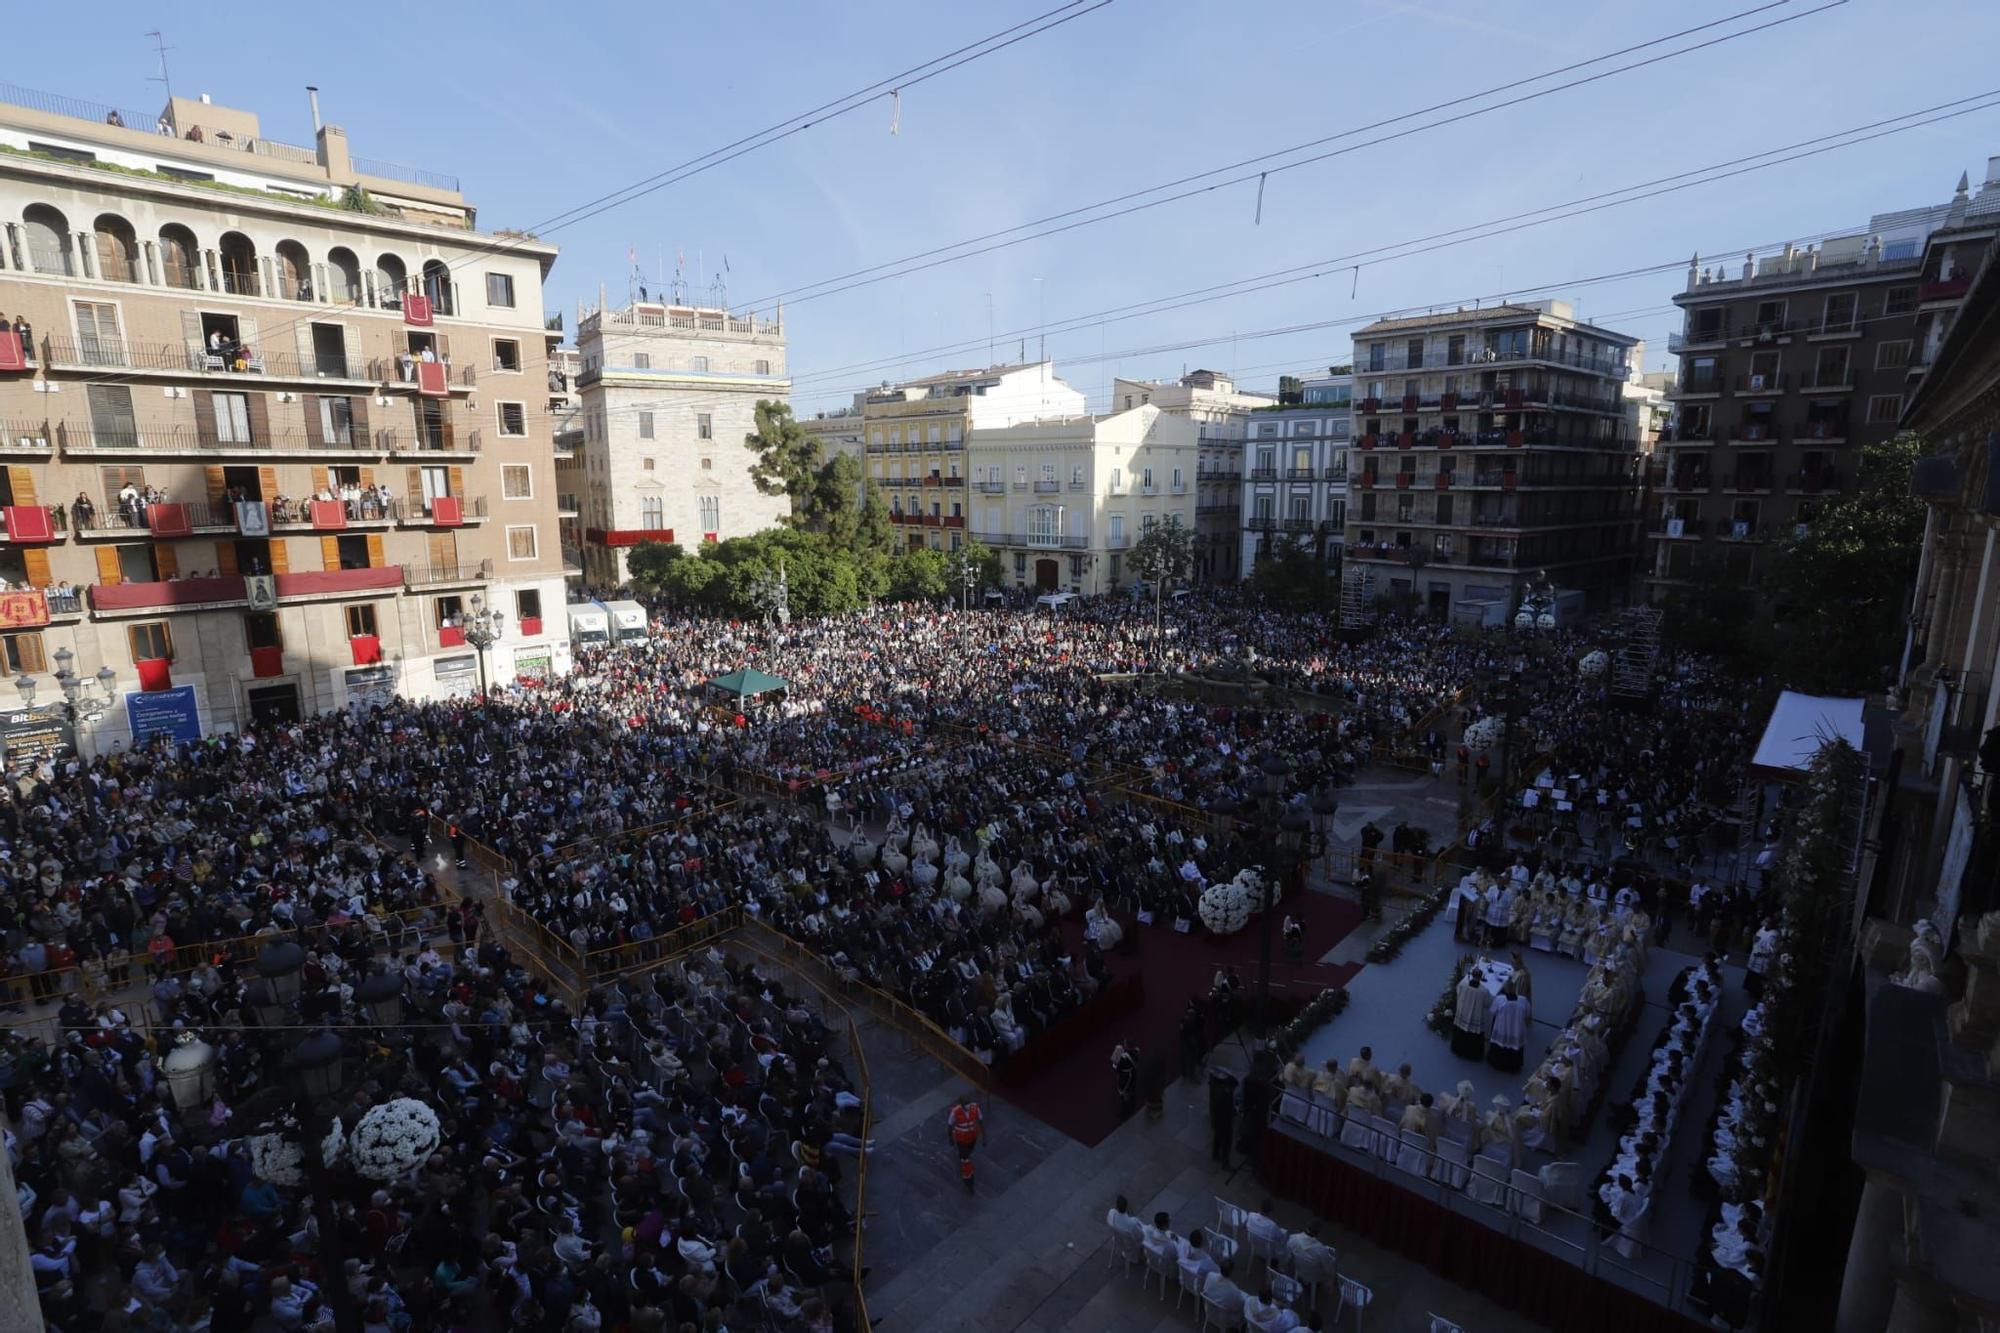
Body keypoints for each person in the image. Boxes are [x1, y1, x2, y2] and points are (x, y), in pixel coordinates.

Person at [1451, 966, 1493, 1060]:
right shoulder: (1484, 991)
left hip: (1463, 1013)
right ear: (1480, 977)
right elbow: (1488, 1003)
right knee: (1473, 1036)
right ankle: (1472, 1055)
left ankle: (1458, 1049)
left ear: (1472, 975)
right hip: (1475, 1016)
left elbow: (1458, 992)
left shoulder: (1463, 985)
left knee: (1461, 1032)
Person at [1487, 983, 1530, 1073]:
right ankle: (1513, 1066)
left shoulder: (1499, 999)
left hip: (1502, 1028)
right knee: (1514, 1046)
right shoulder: (1523, 1001)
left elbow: (1492, 1011)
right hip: (1516, 1029)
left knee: (1500, 1045)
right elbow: (1527, 1014)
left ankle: (1497, 1063)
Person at [947, 1093, 983, 1193]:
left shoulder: (975, 1108)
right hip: (961, 1140)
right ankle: (969, 1182)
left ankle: (965, 1160)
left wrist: (984, 1137)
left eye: (968, 1102)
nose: (968, 1105)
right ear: (961, 1104)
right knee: (966, 1160)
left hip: (972, 1138)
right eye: (965, 1103)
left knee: (967, 1155)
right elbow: (949, 1126)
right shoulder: (955, 1112)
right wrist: (950, 1139)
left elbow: (980, 1121)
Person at [1206, 1062, 1239, 1168]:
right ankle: (1225, 1162)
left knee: (1218, 1136)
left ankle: (1215, 1154)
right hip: (1225, 1120)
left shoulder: (1217, 1090)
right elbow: (1229, 1109)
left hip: (1217, 1119)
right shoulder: (1226, 1095)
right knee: (1227, 1141)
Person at [1202, 1258, 1246, 1322]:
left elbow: (1205, 1290)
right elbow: (1238, 1307)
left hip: (1208, 1310)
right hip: (1224, 1319)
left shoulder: (1210, 1275)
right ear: (1231, 1272)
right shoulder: (1234, 1290)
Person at [1112, 1040, 1138, 1119]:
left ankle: (1126, 1111)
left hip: (1125, 1077)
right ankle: (1131, 1101)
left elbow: (1117, 1069)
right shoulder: (1136, 1051)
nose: (1124, 1046)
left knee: (1124, 1092)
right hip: (1133, 1074)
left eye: (1125, 1044)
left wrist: (1114, 1064)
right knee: (1131, 1088)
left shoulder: (1124, 1058)